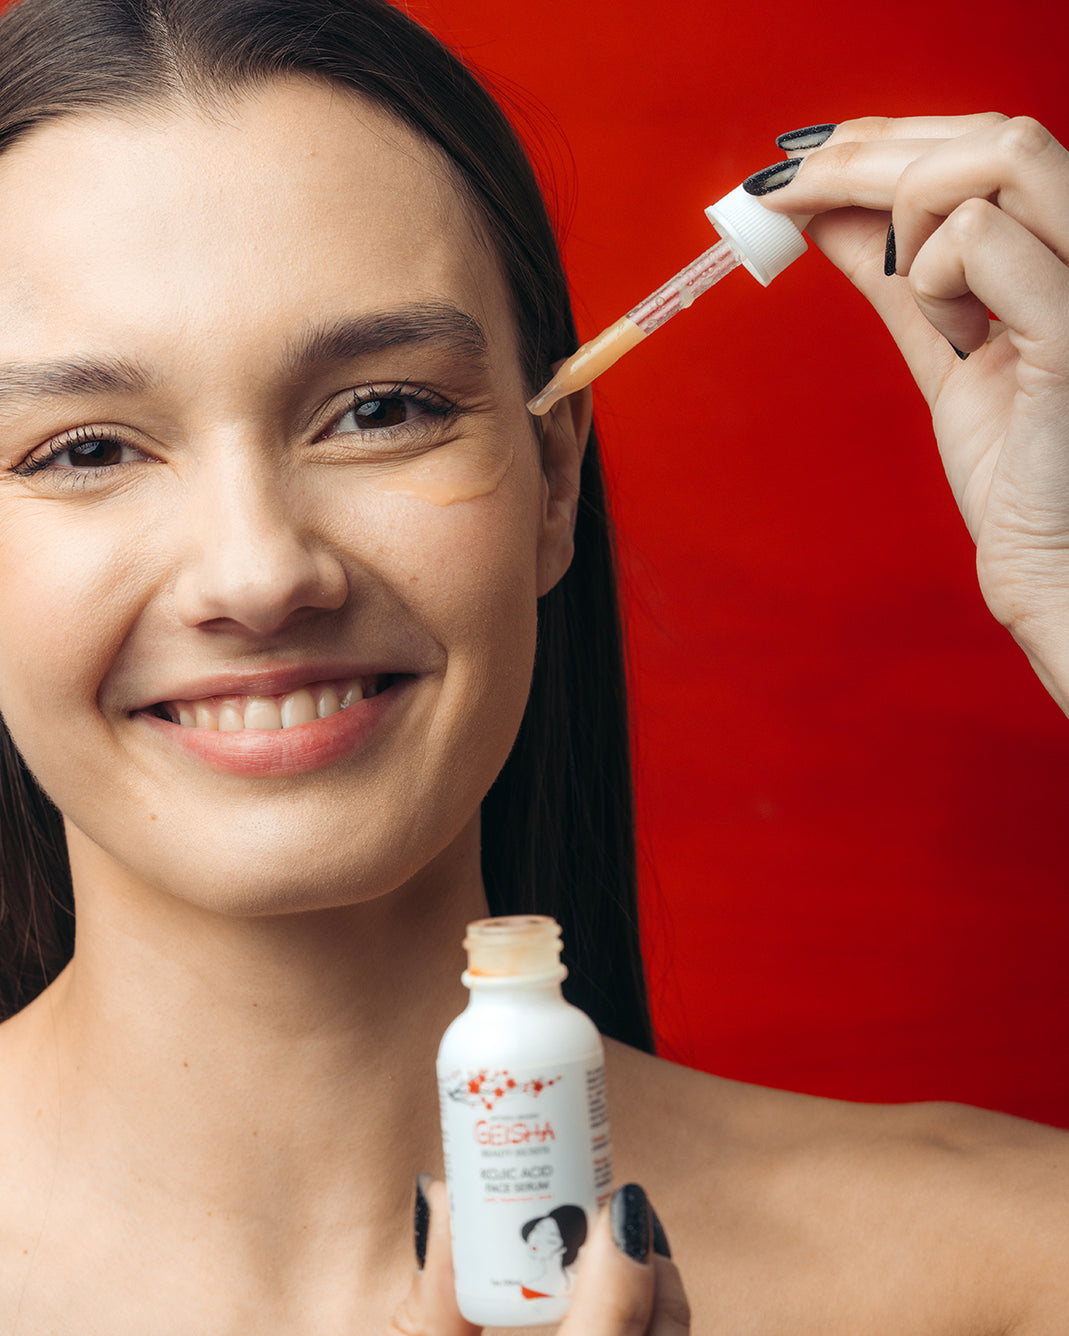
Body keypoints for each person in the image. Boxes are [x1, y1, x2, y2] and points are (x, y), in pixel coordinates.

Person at [0, 0, 1065, 1330]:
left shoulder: (1016, 1275)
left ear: (554, 480)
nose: (260, 573)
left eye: (380, 410)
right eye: (86, 450)